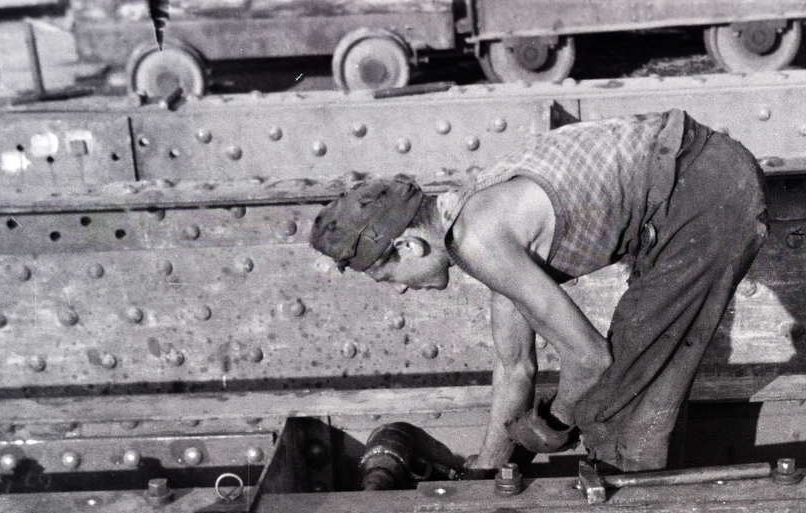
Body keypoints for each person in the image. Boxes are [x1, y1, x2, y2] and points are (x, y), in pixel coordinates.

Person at [308, 109, 769, 474]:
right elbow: (515, 368)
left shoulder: (480, 239)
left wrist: (554, 422)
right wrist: (488, 468)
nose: (402, 293)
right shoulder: (472, 222)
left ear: (408, 245)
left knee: (617, 405)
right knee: (639, 374)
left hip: (704, 191)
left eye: (389, 279)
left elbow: (591, 359)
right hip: (692, 181)